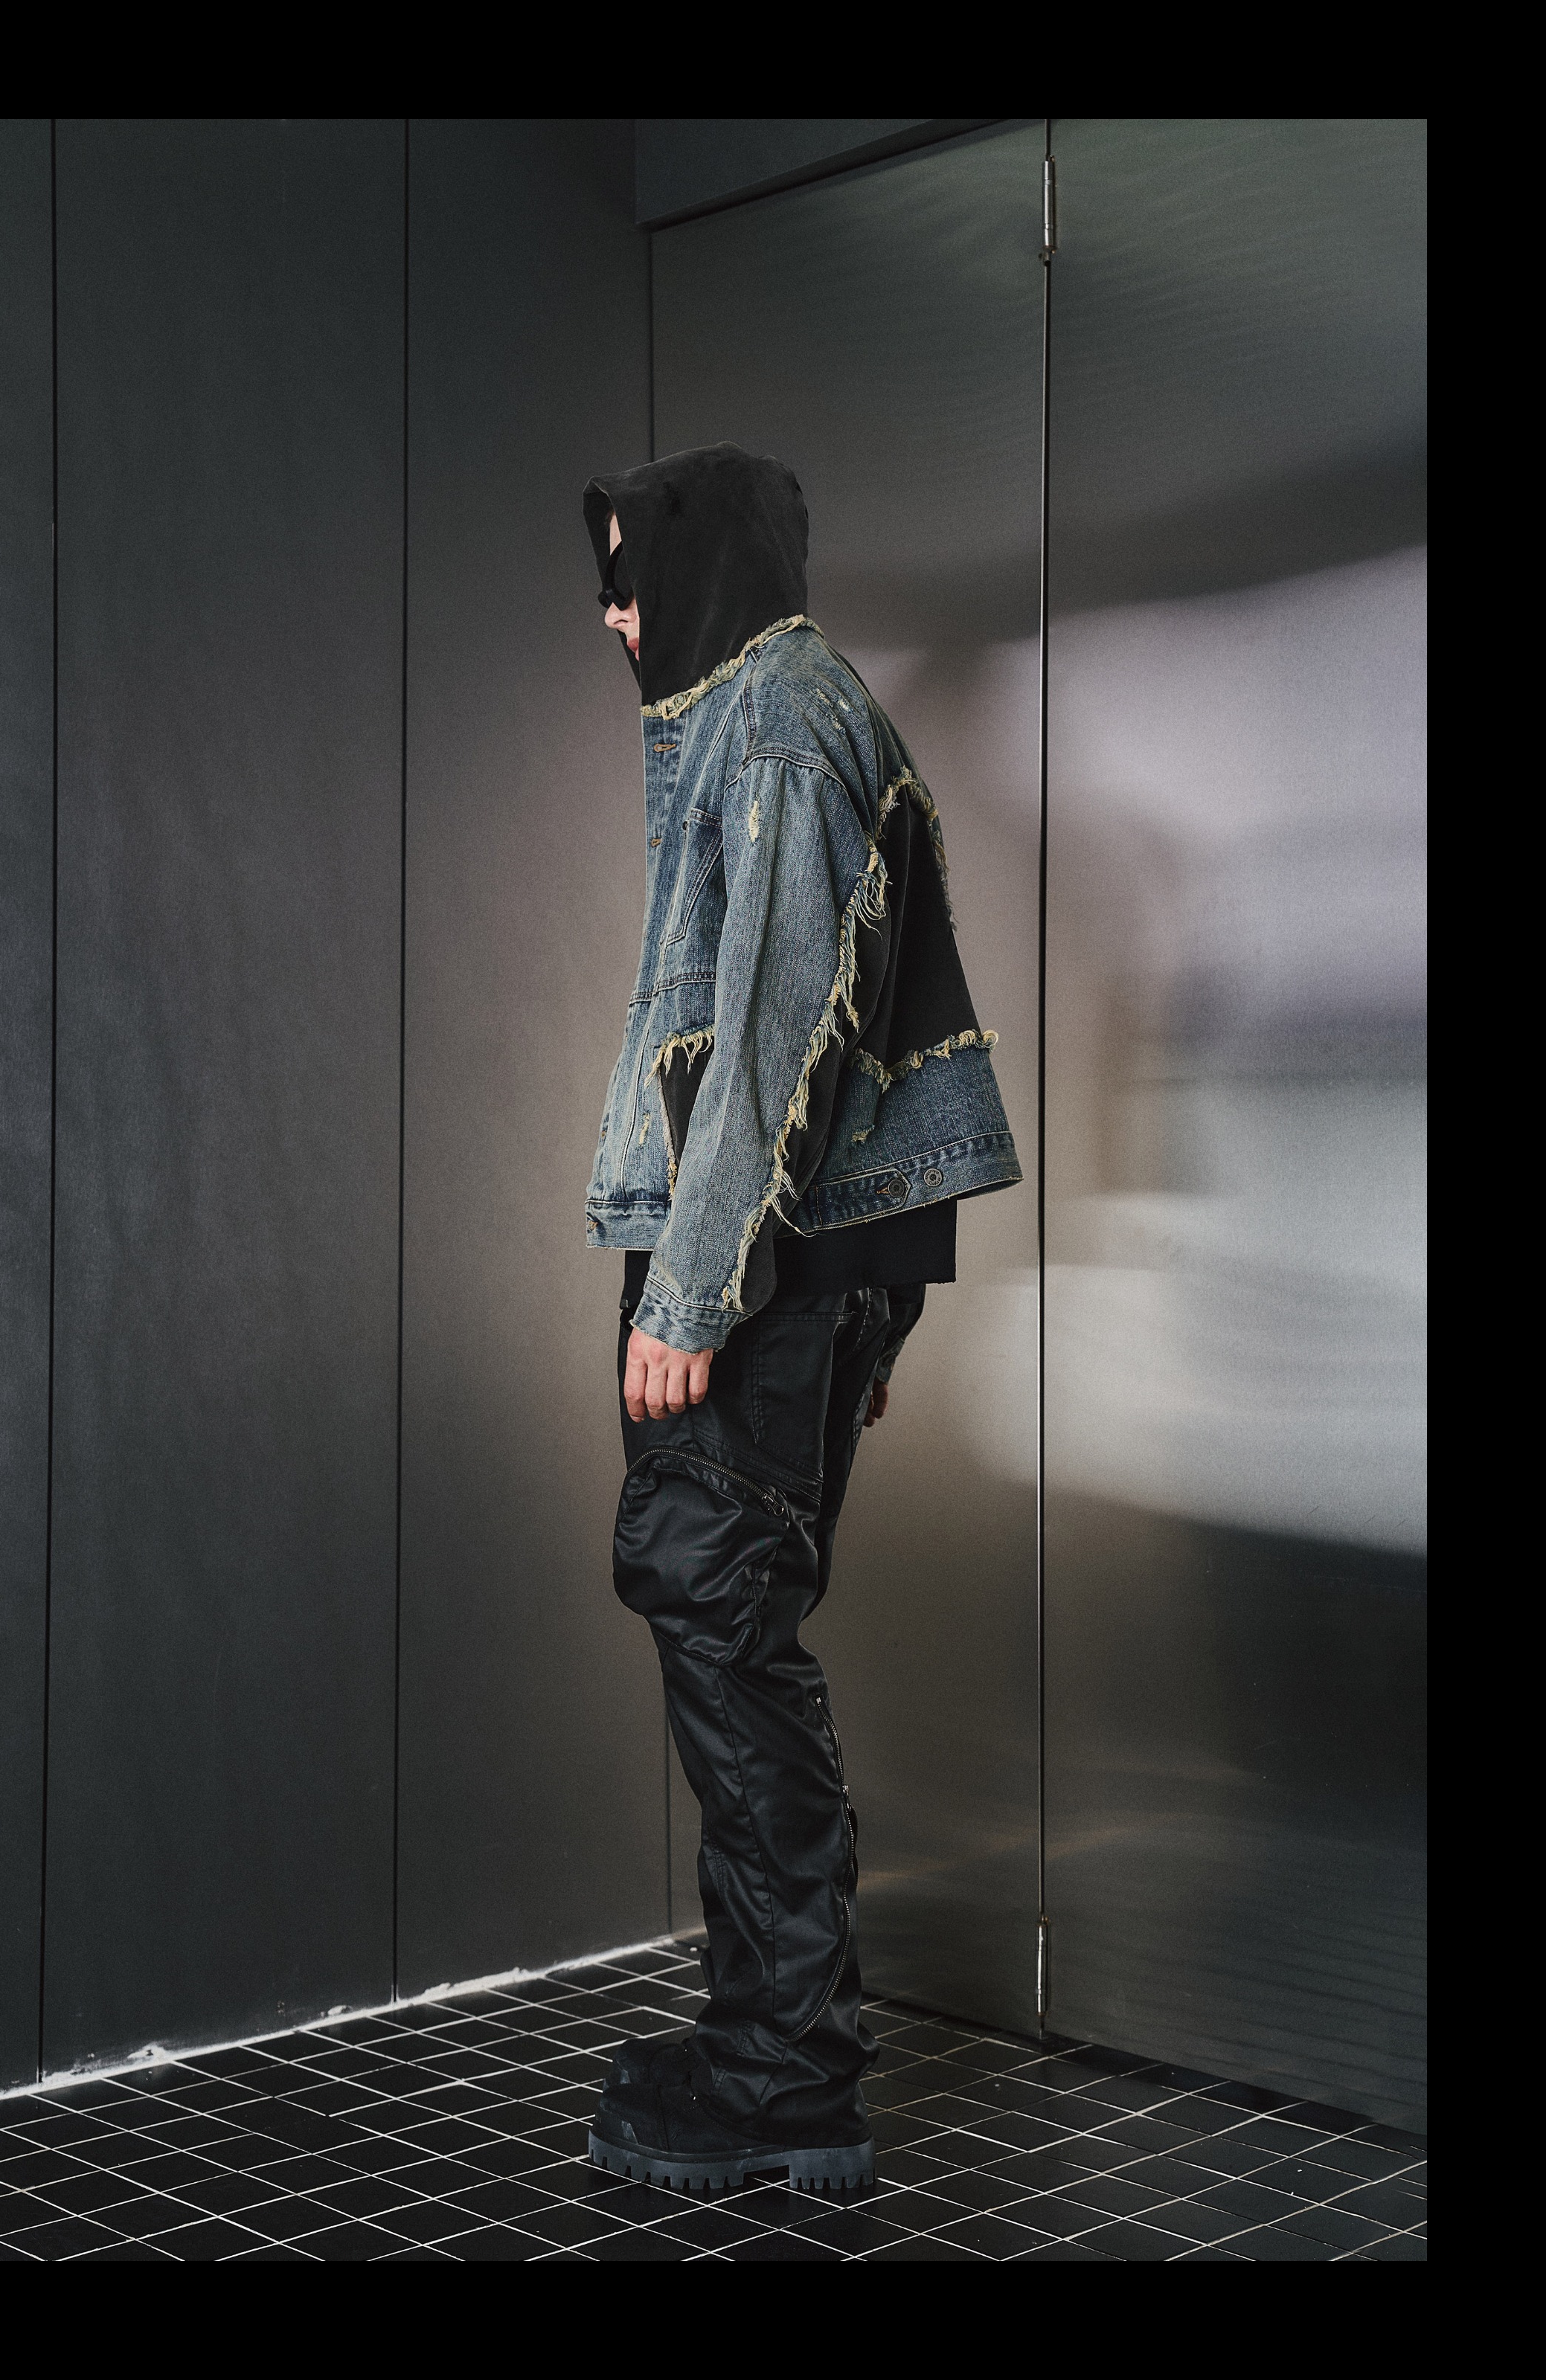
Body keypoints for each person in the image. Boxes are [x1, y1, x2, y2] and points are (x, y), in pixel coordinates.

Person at [580, 443, 1021, 2196]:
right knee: (729, 1613)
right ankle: (768, 2043)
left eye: (626, 570)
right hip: (797, 1272)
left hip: (747, 1275)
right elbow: (850, 1027)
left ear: (703, 561)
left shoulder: (776, 718)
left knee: (719, 1610)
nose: (614, 613)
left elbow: (777, 1035)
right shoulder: (785, 715)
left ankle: (785, 2078)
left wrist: (694, 1294)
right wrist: (861, 1324)